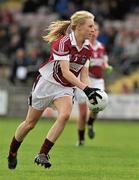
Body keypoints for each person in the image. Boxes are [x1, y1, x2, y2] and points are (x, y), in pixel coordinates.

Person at [7, 10, 101, 169]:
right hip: (47, 84)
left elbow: (84, 75)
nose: (94, 30)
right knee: (30, 124)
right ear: (78, 27)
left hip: (64, 88)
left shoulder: (88, 49)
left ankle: (42, 153)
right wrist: (86, 89)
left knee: (64, 115)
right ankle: (12, 152)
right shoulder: (63, 42)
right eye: (90, 26)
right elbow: (66, 72)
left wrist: (91, 91)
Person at [75, 22, 113, 146]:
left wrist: (107, 67)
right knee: (82, 114)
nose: (94, 32)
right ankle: (81, 140)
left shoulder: (101, 46)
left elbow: (104, 61)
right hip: (83, 80)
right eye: (92, 29)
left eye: (96, 30)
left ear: (98, 32)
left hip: (97, 80)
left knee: (97, 107)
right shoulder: (84, 46)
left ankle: (90, 124)